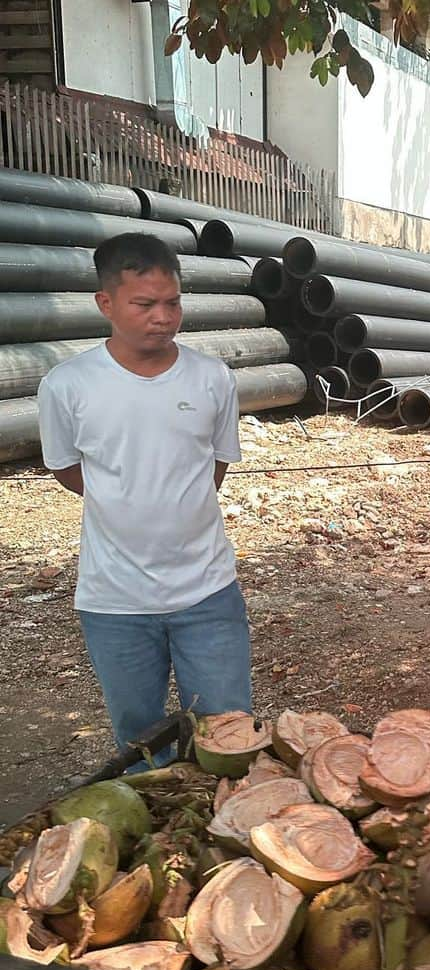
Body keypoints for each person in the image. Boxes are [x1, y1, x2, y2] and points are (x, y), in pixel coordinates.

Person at [37, 232, 252, 760]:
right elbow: (68, 470)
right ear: (105, 303)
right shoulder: (68, 386)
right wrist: (125, 497)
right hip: (115, 601)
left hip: (208, 591)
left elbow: (215, 465)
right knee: (140, 741)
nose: (163, 316)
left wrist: (166, 500)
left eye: (173, 302)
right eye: (144, 304)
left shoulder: (211, 378)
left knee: (228, 730)